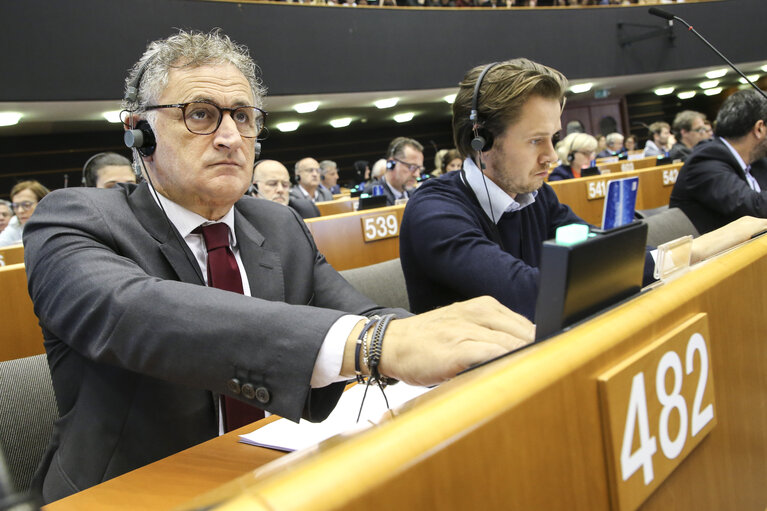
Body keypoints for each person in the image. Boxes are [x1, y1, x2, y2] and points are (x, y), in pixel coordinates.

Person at [24, 30, 535, 503]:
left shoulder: (277, 224)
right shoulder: (74, 219)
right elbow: (137, 313)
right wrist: (374, 346)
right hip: (132, 494)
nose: (230, 137)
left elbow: (359, 315)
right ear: (139, 133)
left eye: (244, 116)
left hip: (275, 480)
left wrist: (442, 339)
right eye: (201, 114)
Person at [399, 59, 767, 321]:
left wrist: (684, 255)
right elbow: (530, 295)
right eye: (535, 141)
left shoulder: (537, 196)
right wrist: (696, 248)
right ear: (481, 140)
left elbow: (600, 252)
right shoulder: (434, 213)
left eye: (554, 139)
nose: (551, 157)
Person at [670, 89, 767, 233]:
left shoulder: (757, 160)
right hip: (716, 254)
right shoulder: (705, 161)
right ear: (759, 128)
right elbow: (756, 209)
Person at [364, 137, 424, 205]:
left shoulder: (416, 194)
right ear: (391, 164)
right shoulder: (373, 194)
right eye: (412, 167)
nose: (417, 174)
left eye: (420, 169)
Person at [252, 159, 320, 218]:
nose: (280, 190)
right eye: (272, 184)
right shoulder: (244, 216)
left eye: (285, 185)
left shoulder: (306, 210)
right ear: (254, 188)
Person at [0, 180, 49, 247]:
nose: (20, 211)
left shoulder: (56, 223)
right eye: (16, 206)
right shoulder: (15, 223)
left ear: (43, 203)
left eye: (26, 205)